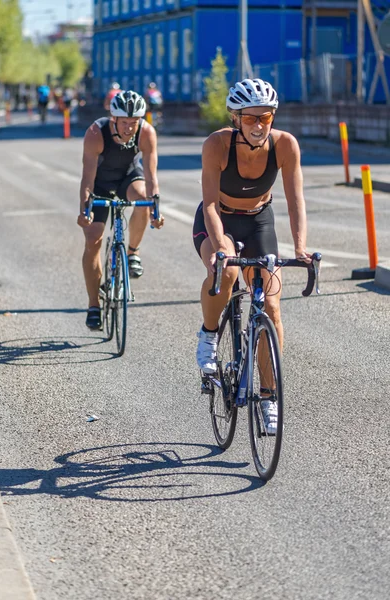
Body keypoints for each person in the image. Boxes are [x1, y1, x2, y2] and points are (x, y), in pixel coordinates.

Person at [192, 78, 311, 434]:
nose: (259, 126)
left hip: (259, 220)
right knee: (226, 272)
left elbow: (295, 201)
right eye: (251, 119)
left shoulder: (285, 145)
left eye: (266, 118)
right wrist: (221, 251)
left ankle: (269, 397)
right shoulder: (217, 145)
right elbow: (210, 204)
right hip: (218, 219)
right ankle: (209, 334)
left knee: (271, 307)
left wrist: (300, 247)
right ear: (235, 119)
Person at [77, 90, 165, 330]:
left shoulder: (146, 132)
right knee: (93, 239)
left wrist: (156, 209)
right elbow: (87, 179)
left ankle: (132, 253)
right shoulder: (96, 133)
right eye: (124, 122)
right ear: (113, 119)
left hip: (128, 177)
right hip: (100, 183)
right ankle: (94, 304)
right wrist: (85, 209)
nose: (129, 128)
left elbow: (151, 177)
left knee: (143, 199)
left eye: (134, 122)